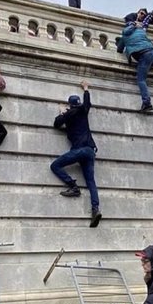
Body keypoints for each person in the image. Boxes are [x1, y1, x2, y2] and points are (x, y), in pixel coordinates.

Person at [51, 81, 102, 227]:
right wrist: (86, 88)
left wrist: (62, 112)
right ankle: (95, 209)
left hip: (78, 150)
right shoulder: (83, 110)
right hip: (90, 151)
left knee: (55, 165)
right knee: (91, 181)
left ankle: (73, 186)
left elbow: (56, 124)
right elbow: (87, 102)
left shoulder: (69, 113)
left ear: (70, 104)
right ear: (78, 103)